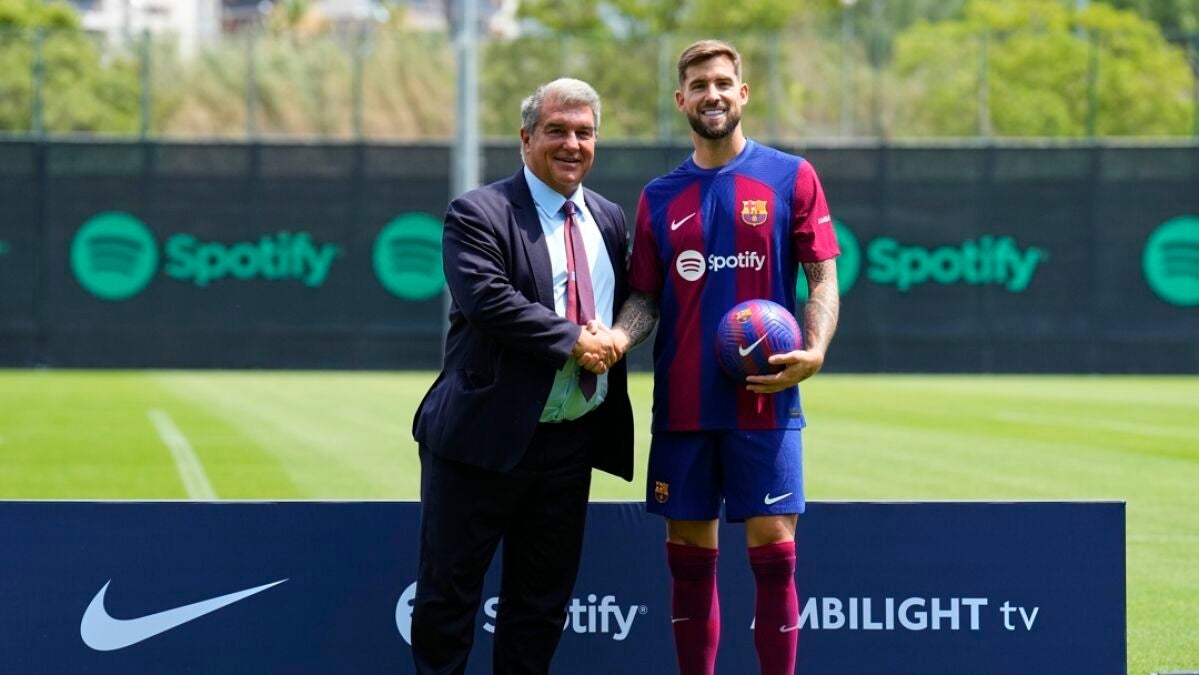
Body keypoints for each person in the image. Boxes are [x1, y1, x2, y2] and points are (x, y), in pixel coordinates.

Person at [597, 40, 841, 675]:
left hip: (766, 399)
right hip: (684, 403)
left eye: (723, 83)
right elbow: (645, 297)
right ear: (681, 100)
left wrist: (815, 349)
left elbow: (821, 277)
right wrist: (619, 337)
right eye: (700, 85)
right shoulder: (659, 196)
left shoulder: (791, 176)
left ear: (743, 94)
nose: (713, 94)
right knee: (687, 555)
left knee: (775, 548)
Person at [409, 78, 633, 675]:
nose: (572, 144)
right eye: (556, 130)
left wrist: (618, 335)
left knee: (540, 607)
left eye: (584, 132)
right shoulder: (478, 212)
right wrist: (575, 340)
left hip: (571, 442)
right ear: (526, 138)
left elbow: (633, 302)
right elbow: (489, 301)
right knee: (447, 599)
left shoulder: (609, 218)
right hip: (481, 439)